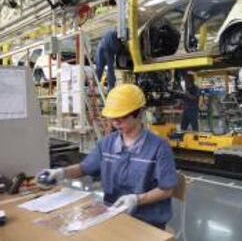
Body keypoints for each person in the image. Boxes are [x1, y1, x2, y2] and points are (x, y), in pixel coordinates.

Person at [36, 84, 177, 229]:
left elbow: (167, 189)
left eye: (121, 117)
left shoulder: (159, 148)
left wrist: (136, 200)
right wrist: (61, 173)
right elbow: (84, 168)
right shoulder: (107, 144)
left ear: (139, 113)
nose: (116, 123)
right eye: (113, 118)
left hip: (147, 221)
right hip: (112, 213)